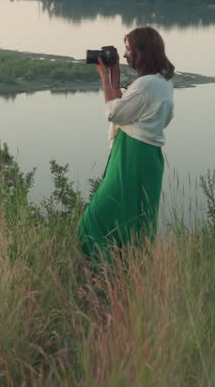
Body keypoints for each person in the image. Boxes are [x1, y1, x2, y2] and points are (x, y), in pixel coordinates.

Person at [77, 26, 175, 261]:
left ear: (143, 52)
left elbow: (114, 113)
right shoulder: (161, 82)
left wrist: (104, 78)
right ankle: (128, 280)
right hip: (145, 157)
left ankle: (105, 278)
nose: (125, 54)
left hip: (133, 156)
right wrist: (116, 79)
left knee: (94, 222)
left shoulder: (146, 85)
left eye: (129, 49)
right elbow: (127, 109)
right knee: (134, 224)